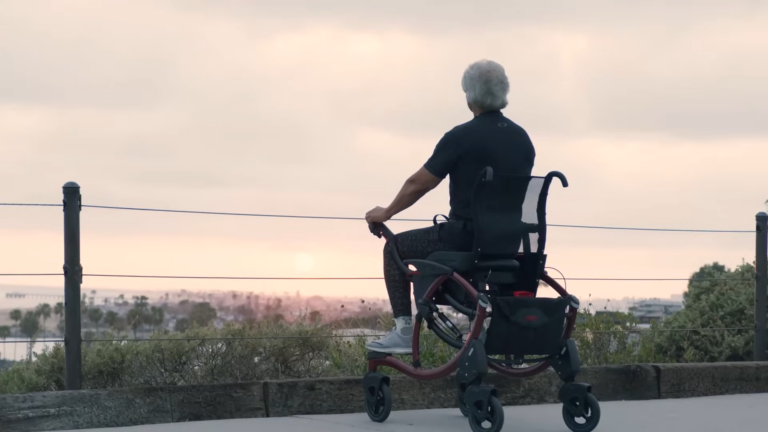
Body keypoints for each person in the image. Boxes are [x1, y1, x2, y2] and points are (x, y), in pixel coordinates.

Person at [363, 59, 536, 354]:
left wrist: (387, 212)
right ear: (503, 92)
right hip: (509, 243)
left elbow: (420, 182)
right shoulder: (522, 139)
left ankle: (404, 332)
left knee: (394, 249)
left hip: (463, 238)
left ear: (469, 95)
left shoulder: (460, 137)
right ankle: (484, 330)